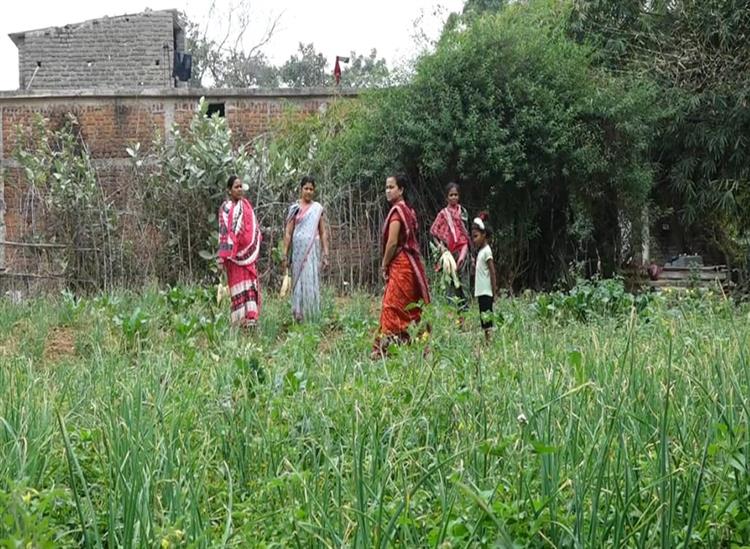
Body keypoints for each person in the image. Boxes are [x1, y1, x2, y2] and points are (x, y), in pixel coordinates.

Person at [372, 174, 431, 358]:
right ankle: (417, 344)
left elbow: (392, 243)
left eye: (391, 187)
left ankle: (385, 349)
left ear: (401, 189)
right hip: (411, 266)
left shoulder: (398, 213)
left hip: (401, 265)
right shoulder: (408, 211)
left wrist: (384, 264)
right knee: (410, 308)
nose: (387, 191)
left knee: (392, 306)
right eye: (386, 188)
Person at [281, 175, 330, 322]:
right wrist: (284, 253)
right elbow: (288, 232)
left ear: (314, 191)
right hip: (298, 252)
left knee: (311, 278)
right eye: (306, 188)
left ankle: (311, 314)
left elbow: (322, 232)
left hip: (311, 251)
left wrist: (325, 253)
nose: (308, 192)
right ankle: (298, 314)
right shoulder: (294, 209)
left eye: (311, 189)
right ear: (301, 189)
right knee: (298, 280)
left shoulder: (317, 209)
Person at [218, 175, 262, 327]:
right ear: (229, 190)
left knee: (249, 285)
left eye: (240, 186)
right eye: (236, 187)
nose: (239, 189)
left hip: (248, 257)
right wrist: (222, 258)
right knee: (237, 288)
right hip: (233, 258)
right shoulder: (225, 209)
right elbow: (224, 233)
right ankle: (239, 322)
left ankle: (251, 321)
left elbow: (254, 230)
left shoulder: (247, 207)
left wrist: (249, 246)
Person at [430, 182, 471, 312]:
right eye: (451, 195)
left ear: (459, 196)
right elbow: (433, 232)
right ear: (446, 198)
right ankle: (452, 312)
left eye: (456, 195)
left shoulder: (463, 213)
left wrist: (463, 255)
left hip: (462, 252)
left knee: (463, 283)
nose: (453, 197)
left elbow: (466, 236)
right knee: (451, 285)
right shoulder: (443, 214)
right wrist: (440, 247)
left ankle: (464, 312)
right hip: (448, 255)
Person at [472, 212, 497, 341]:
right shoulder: (481, 252)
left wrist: (494, 291)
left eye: (476, 236)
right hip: (481, 292)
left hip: (487, 291)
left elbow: (492, 272)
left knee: (487, 317)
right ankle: (487, 340)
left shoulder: (487, 251)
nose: (474, 239)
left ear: (484, 235)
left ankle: (489, 341)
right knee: (483, 317)